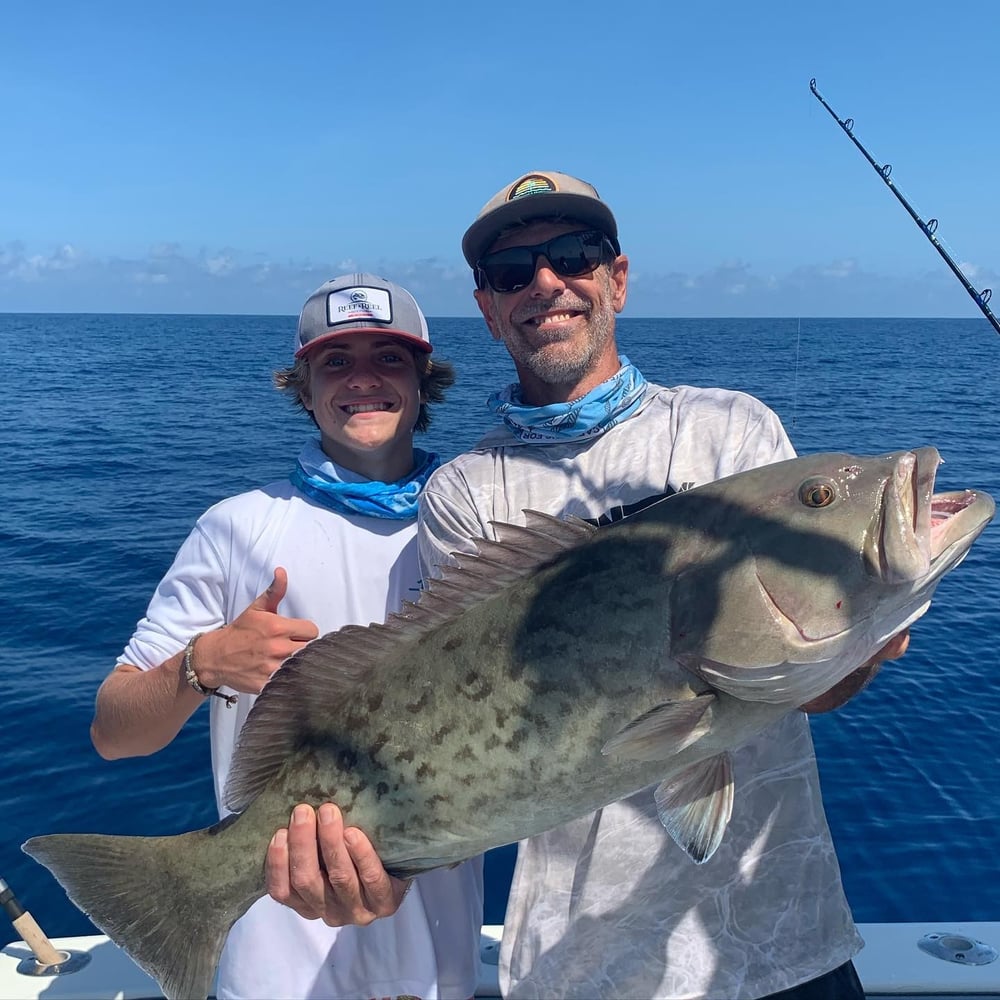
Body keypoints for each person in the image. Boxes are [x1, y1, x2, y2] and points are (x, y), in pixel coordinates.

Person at [412, 171, 909, 999]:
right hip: (580, 970)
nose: (546, 281)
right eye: (512, 272)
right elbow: (473, 716)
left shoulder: (730, 430)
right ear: (489, 308)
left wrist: (855, 645)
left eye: (574, 253)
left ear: (617, 278)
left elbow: (801, 682)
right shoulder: (466, 494)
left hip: (788, 942)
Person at [89, 273, 484, 1000]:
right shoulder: (239, 528)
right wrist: (198, 666)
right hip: (277, 975)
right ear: (302, 386)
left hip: (441, 970)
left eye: (388, 357)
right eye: (336, 361)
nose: (363, 379)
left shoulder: (476, 527)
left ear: (426, 380)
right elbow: (115, 732)